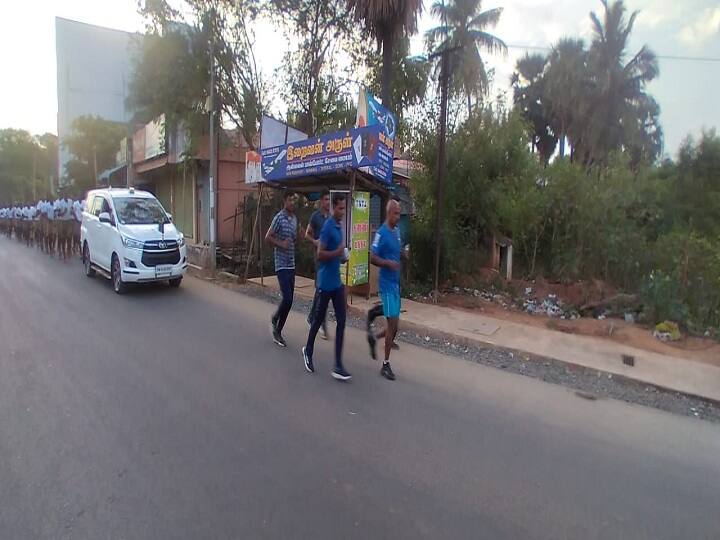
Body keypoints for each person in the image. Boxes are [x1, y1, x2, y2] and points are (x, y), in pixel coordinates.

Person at [302, 193, 352, 381]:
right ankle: (308, 350)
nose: (343, 211)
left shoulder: (339, 227)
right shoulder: (328, 227)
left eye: (344, 208)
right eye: (340, 208)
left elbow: (337, 254)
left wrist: (342, 256)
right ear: (333, 208)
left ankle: (338, 365)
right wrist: (336, 253)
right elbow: (320, 254)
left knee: (341, 321)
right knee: (317, 321)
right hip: (325, 283)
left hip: (337, 283)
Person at [367, 199, 403, 381]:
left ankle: (373, 336)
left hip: (396, 285)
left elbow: (397, 252)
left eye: (399, 213)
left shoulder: (397, 232)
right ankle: (385, 365)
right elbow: (372, 257)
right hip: (386, 286)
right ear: (389, 213)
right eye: (396, 213)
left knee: (394, 327)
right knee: (393, 324)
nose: (398, 217)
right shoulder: (381, 233)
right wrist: (387, 263)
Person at [265, 191, 301, 347]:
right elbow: (268, 237)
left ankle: (277, 326)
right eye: (290, 200)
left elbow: (293, 241)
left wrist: (299, 236)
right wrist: (281, 244)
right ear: (285, 201)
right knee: (287, 298)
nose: (293, 202)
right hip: (281, 264)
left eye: (294, 200)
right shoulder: (279, 218)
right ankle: (276, 324)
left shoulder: (294, 219)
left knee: (290, 301)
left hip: (291, 263)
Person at [304, 189, 330, 340]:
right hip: (319, 259)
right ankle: (321, 323)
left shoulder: (331, 218)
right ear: (321, 201)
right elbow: (307, 234)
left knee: (321, 291)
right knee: (322, 291)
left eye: (329, 199)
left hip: (330, 259)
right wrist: (315, 241)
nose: (327, 202)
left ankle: (311, 317)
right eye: (325, 199)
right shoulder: (316, 217)